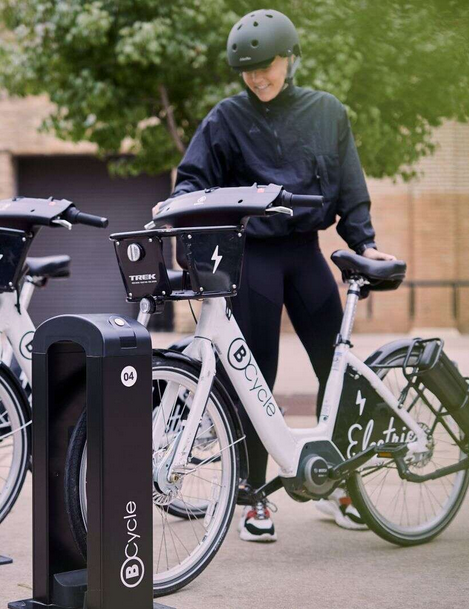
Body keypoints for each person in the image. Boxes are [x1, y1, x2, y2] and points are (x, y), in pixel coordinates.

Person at [170, 9, 398, 542]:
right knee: (255, 378)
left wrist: (363, 241)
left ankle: (340, 485)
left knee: (337, 369)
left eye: (265, 65)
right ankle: (253, 498)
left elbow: (350, 188)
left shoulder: (327, 112)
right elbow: (192, 179)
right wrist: (179, 213)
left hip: (306, 253)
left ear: (289, 59)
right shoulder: (225, 118)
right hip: (254, 258)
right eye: (246, 69)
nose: (257, 77)